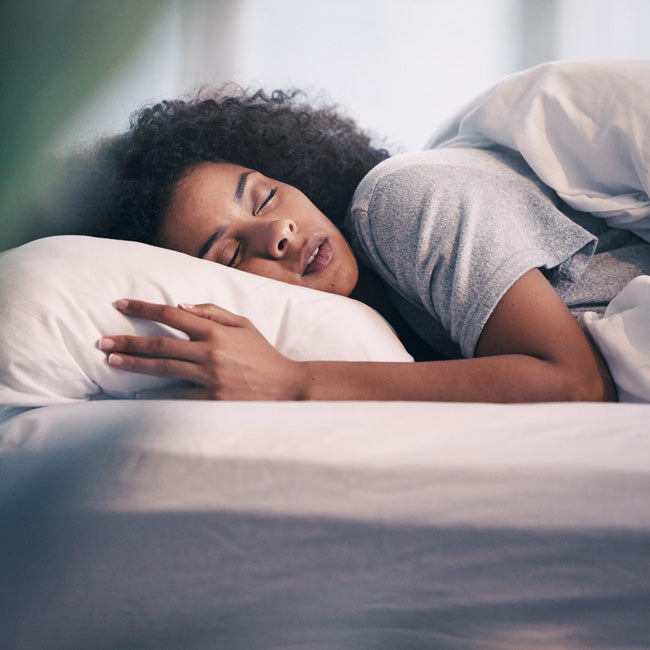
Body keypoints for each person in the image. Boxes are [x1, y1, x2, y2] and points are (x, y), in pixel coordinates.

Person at [92, 85, 649, 402]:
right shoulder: (383, 326)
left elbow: (573, 383)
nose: (277, 233)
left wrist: (292, 381)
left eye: (263, 198)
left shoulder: (397, 200)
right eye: (232, 254)